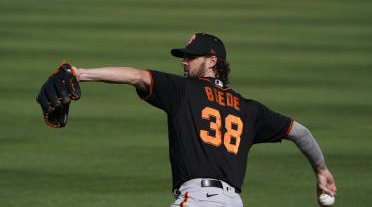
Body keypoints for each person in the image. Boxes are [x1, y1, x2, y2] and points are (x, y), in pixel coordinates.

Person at [68, 33, 337, 206]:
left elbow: (136, 76)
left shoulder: (183, 91)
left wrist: (80, 73)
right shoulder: (249, 109)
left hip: (198, 200)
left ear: (211, 61)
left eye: (190, 57)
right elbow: (300, 132)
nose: (184, 62)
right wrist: (321, 170)